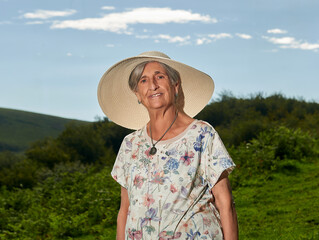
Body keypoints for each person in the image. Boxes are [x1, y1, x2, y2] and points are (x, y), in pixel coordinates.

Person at [97, 51, 238, 240]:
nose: (153, 85)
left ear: (175, 85)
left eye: (160, 77)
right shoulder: (130, 144)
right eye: (143, 80)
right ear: (137, 94)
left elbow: (225, 202)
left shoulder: (202, 134)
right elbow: (125, 210)